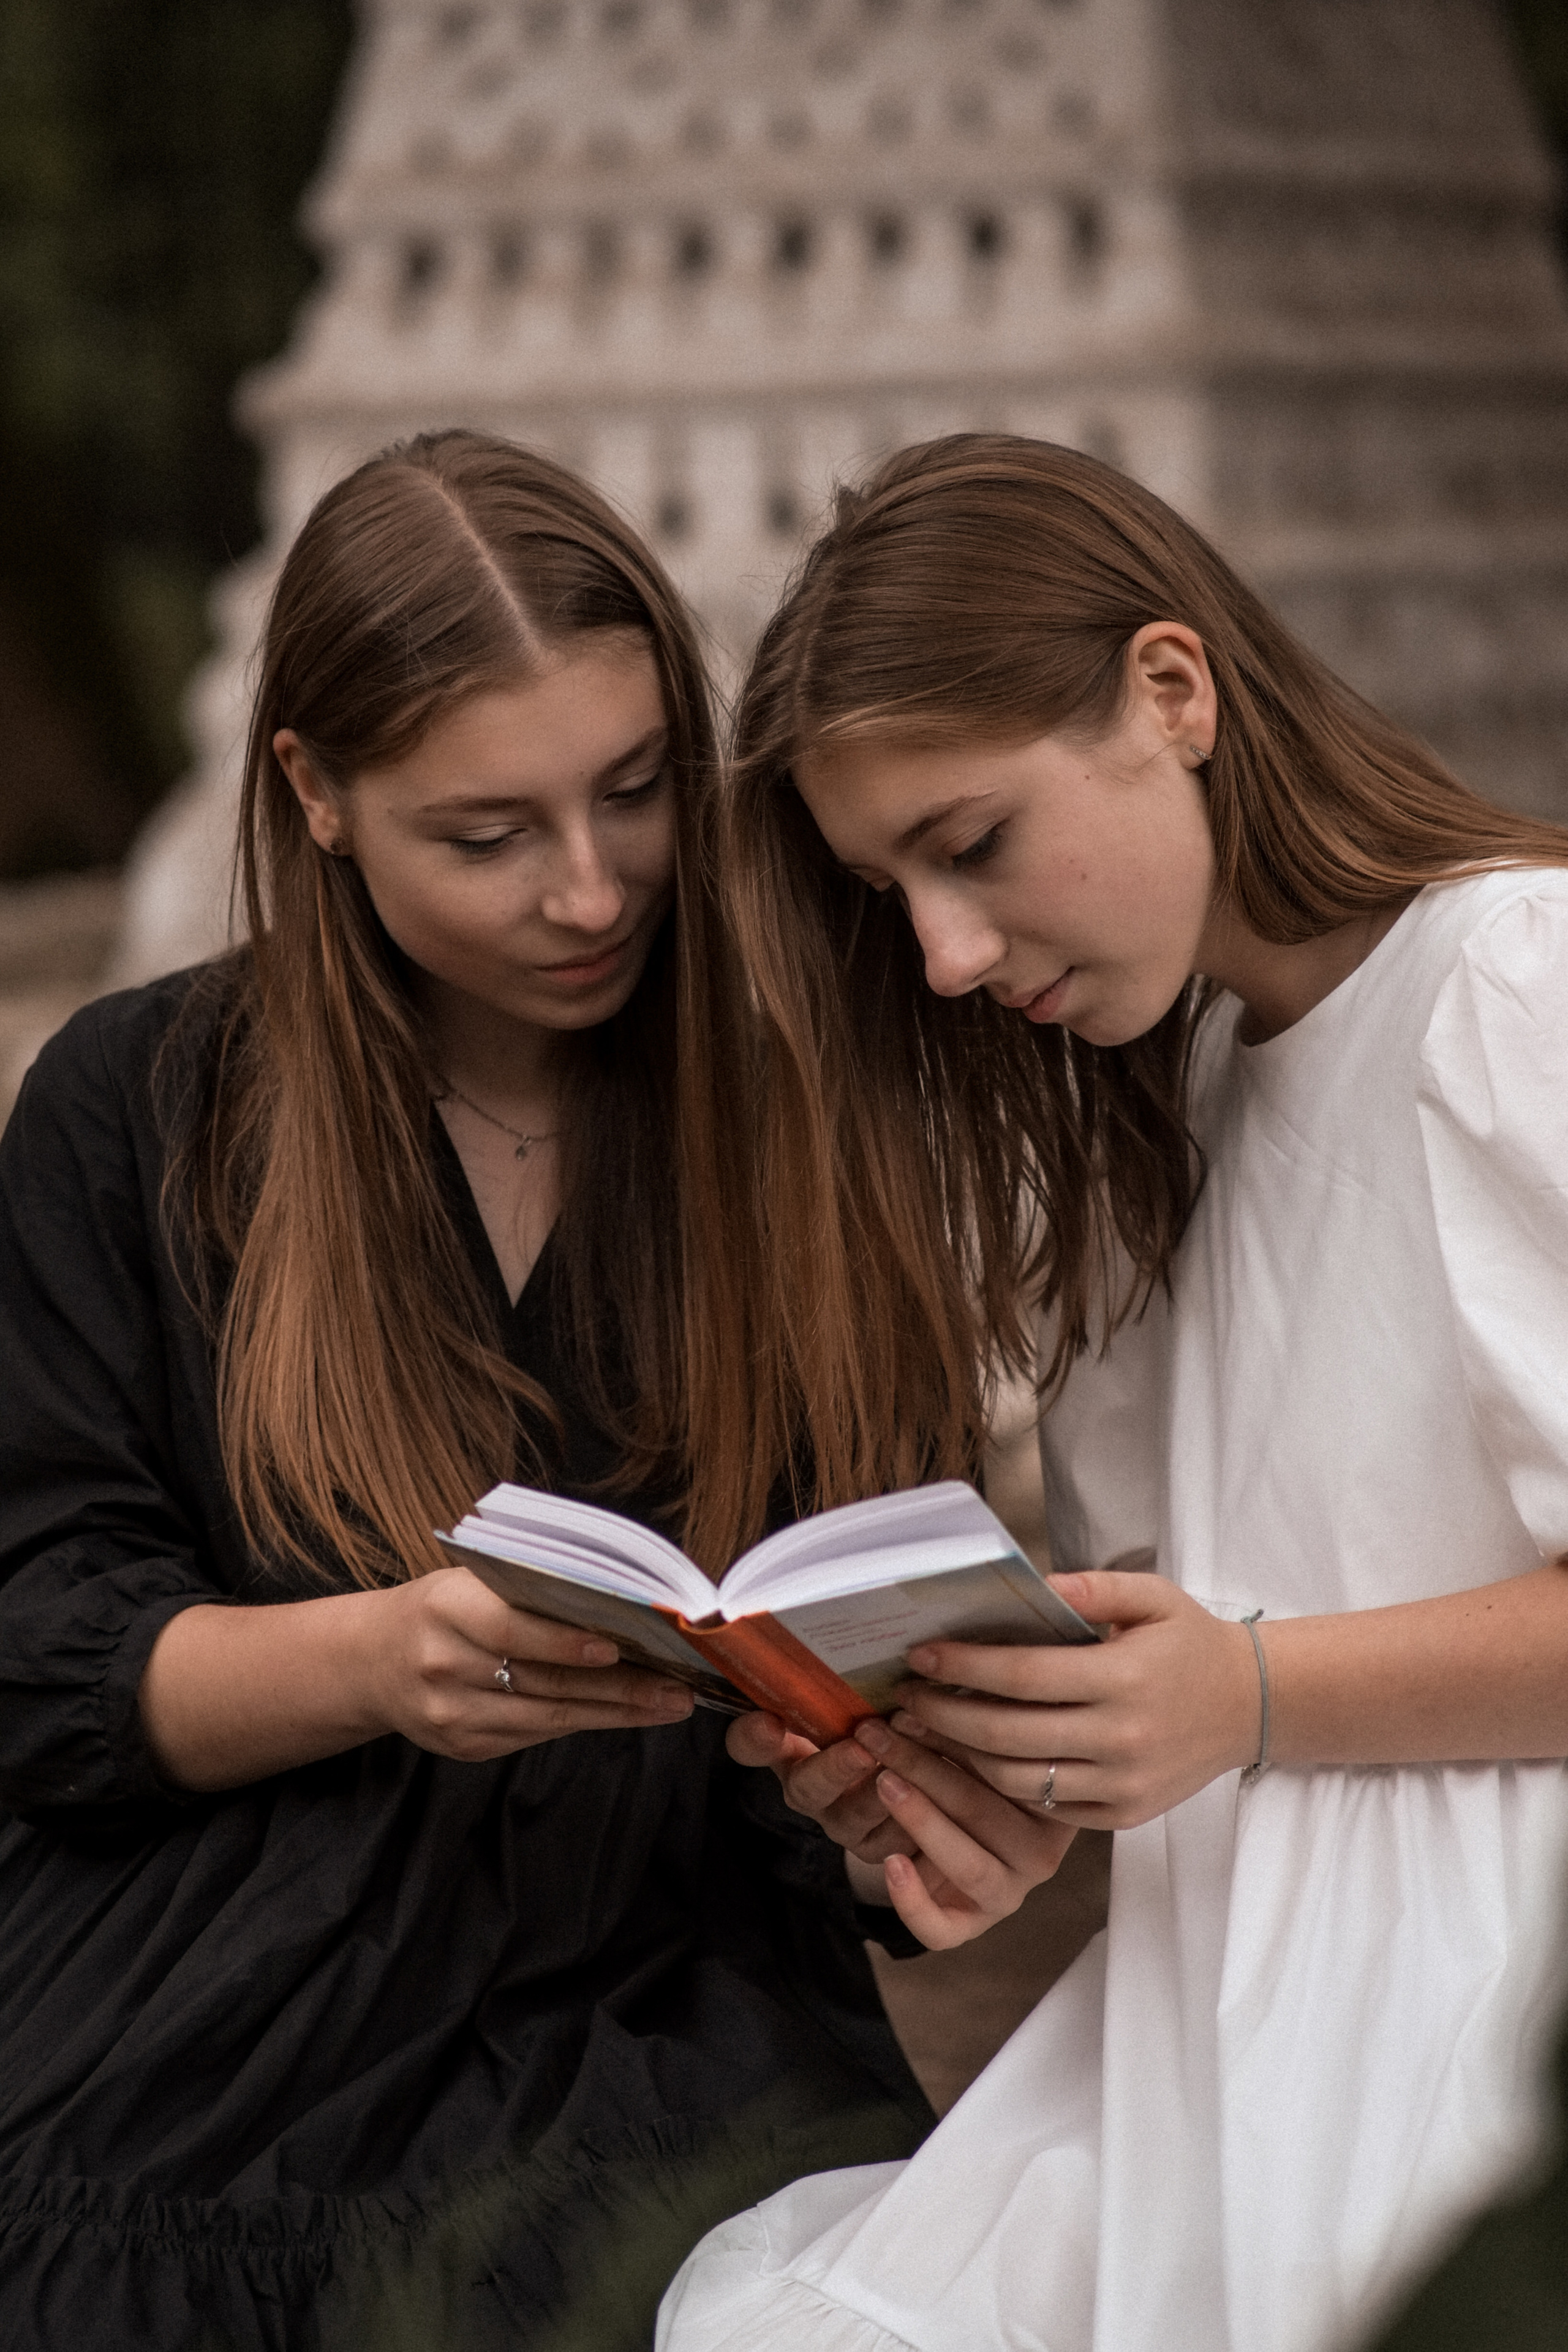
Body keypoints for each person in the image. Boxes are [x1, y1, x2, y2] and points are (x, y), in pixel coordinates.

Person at [0, 429, 1017, 2352]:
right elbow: (45, 1657)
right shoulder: (136, 1111)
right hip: (214, 2000)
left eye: (636, 794)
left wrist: (899, 1788)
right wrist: (384, 1663)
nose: (587, 892)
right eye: (487, 834)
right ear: (312, 792)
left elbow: (875, 1662)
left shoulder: (801, 1123)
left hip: (671, 1996)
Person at [657, 434, 1568, 2352]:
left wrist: (1241, 1694)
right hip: (1216, 2016)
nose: (946, 955)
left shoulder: (1509, 990)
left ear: (1174, 690)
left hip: (1477, 2027)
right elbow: (1221, 1666)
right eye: (892, 889)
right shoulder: (1178, 1116)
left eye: (970, 844)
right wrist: (1031, 1790)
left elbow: (1259, 1677)